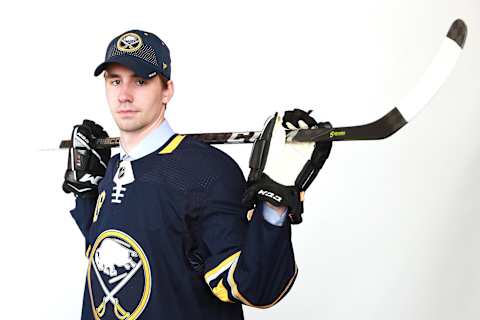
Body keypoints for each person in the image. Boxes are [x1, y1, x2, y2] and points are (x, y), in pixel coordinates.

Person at [63, 29, 332, 320]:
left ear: (167, 89)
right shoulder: (113, 169)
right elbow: (109, 256)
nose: (124, 95)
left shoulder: (207, 171)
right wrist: (86, 194)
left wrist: (274, 202)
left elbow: (253, 285)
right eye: (115, 81)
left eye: (140, 81)